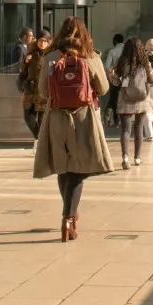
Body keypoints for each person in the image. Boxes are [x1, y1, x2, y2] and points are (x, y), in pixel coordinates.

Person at [34, 17, 114, 240]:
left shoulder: (50, 57)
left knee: (63, 166)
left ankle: (69, 211)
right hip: (83, 118)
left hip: (56, 117)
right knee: (78, 169)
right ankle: (68, 217)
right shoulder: (90, 56)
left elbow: (43, 91)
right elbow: (104, 88)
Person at [112, 37, 153, 168]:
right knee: (138, 128)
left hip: (125, 99)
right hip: (141, 99)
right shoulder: (145, 64)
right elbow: (152, 79)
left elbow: (115, 82)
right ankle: (137, 157)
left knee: (125, 130)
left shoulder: (122, 63)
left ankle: (125, 157)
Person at [16, 30, 52, 137]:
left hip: (43, 92)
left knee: (42, 121)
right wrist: (26, 62)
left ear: (48, 42)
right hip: (30, 90)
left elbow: (54, 71)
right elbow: (23, 70)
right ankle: (38, 138)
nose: (42, 43)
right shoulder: (31, 52)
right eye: (40, 41)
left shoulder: (50, 55)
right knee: (28, 118)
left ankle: (41, 143)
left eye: (45, 41)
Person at [102, 33, 127, 127]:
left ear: (115, 41)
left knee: (113, 98)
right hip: (126, 79)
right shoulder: (126, 51)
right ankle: (118, 120)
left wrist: (109, 76)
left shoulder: (112, 51)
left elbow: (107, 66)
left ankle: (107, 118)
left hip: (115, 79)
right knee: (123, 99)